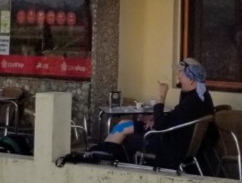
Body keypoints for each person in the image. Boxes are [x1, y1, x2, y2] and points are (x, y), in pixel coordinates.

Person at [90, 59, 218, 171]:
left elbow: (162, 126)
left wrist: (161, 97)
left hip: (167, 143)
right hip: (171, 136)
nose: (178, 76)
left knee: (123, 132)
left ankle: (100, 159)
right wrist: (156, 118)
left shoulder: (192, 102)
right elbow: (178, 117)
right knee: (123, 125)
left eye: (181, 73)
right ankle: (101, 154)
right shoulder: (201, 97)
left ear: (191, 80)